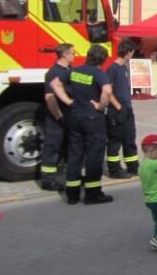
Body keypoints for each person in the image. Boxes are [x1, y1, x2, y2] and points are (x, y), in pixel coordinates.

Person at [65, 45, 114, 205]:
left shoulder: (74, 71)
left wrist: (67, 101)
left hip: (75, 116)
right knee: (94, 155)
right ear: (103, 59)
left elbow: (55, 84)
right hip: (92, 118)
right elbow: (107, 91)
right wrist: (101, 105)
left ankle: (72, 194)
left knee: (75, 154)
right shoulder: (99, 73)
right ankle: (92, 194)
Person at [40, 43, 75, 191]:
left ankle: (70, 176)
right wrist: (59, 117)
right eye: (73, 53)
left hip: (69, 116)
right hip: (57, 118)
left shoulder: (70, 71)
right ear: (65, 55)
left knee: (68, 147)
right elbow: (50, 98)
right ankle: (48, 180)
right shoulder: (53, 72)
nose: (74, 56)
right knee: (52, 147)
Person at [106, 40, 139, 179]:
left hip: (127, 109)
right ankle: (114, 170)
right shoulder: (112, 69)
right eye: (132, 53)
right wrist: (118, 107)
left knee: (129, 139)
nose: (132, 56)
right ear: (128, 52)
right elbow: (107, 91)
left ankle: (132, 167)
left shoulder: (123, 68)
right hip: (117, 110)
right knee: (115, 141)